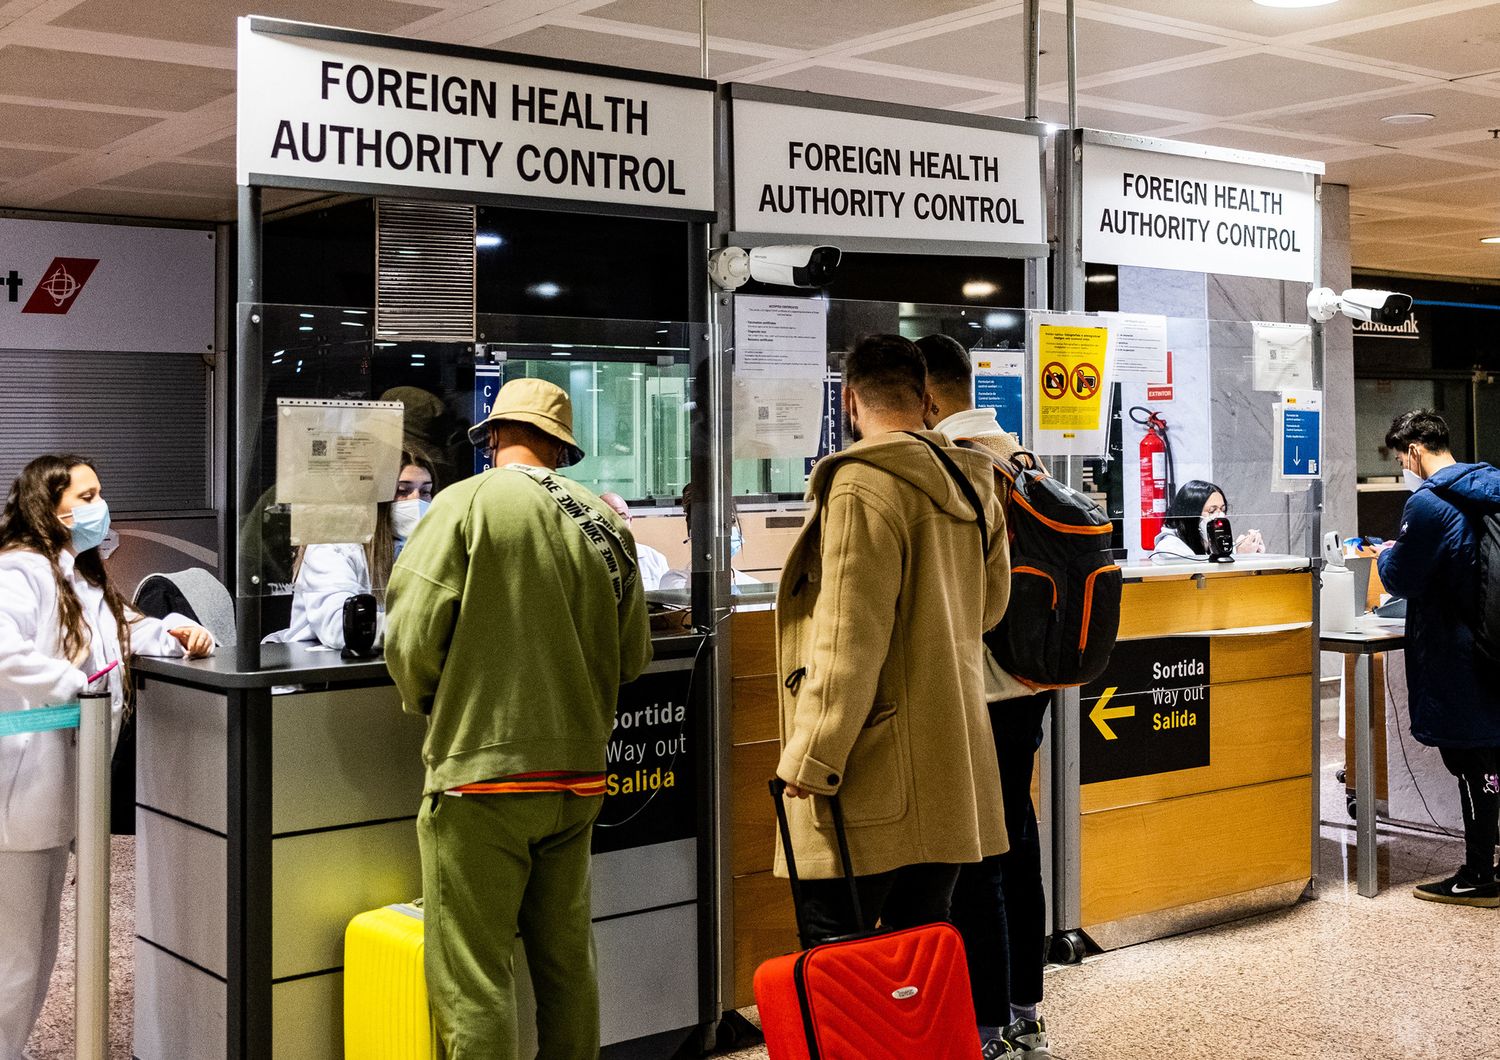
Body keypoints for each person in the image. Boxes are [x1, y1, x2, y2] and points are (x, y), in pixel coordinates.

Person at [384, 378, 652, 1058]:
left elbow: (410, 636)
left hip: (483, 777)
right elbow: (632, 657)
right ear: (560, 449)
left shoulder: (465, 502)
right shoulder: (605, 521)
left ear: (495, 437)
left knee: (474, 980)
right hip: (580, 781)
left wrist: (430, 701)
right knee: (567, 968)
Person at [774, 333, 1010, 945]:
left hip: (868, 775)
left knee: (839, 959)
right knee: (920, 959)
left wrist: (812, 755)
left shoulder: (861, 486)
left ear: (849, 400)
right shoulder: (972, 480)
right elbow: (990, 609)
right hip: (951, 765)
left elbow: (848, 639)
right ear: (927, 399)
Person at [0, 454, 214, 1057]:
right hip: (17, 785)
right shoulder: (19, 571)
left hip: (59, 787)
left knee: (34, 951)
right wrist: (76, 684)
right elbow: (4, 649)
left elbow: (124, 630)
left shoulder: (80, 578)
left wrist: (176, 630)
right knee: (16, 955)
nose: (100, 506)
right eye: (88, 495)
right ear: (54, 506)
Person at [919, 333, 1051, 1060]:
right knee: (1018, 840)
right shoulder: (1020, 454)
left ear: (928, 396)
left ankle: (989, 1027)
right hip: (1030, 682)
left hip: (981, 682)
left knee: (981, 853)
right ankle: (1026, 1008)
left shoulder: (952, 464)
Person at [1377, 409, 1500, 906]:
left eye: (1400, 460)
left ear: (1413, 452)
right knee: (1494, 759)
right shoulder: (1490, 485)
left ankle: (1476, 874)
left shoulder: (1427, 504)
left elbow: (1400, 577)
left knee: (1471, 763)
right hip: (1496, 643)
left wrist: (1386, 554)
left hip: (1458, 652)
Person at [264, 453, 435, 650]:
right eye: (402, 491)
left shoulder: (419, 548)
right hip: (322, 674)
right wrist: (431, 628)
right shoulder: (334, 545)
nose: (415, 501)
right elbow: (341, 628)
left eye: (425, 492)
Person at [657, 482, 760, 591]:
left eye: (732, 521)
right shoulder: (675, 582)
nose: (725, 529)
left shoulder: (752, 585)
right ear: (694, 534)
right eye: (713, 523)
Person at [1153, 480, 1265, 558]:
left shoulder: (1208, 541)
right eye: (1212, 511)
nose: (1220, 516)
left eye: (1222, 509)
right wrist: (1240, 556)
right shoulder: (1169, 549)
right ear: (1191, 515)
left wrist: (1244, 553)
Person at [599, 492, 671, 591]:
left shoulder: (655, 560)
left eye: (621, 517)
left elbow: (668, 602)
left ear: (630, 520)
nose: (615, 523)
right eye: (607, 518)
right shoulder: (585, 561)